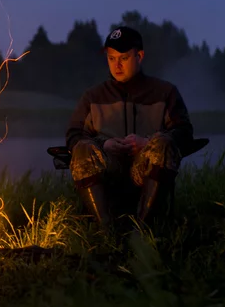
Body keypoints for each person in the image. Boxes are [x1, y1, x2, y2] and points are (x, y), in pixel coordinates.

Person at [65, 26, 194, 229]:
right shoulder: (93, 97)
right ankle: (105, 230)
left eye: (123, 58)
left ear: (139, 56)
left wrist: (147, 143)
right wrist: (104, 144)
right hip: (108, 170)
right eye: (111, 58)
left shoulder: (164, 92)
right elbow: (73, 135)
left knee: (163, 143)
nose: (117, 65)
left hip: (144, 170)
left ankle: (143, 230)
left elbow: (184, 133)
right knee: (82, 148)